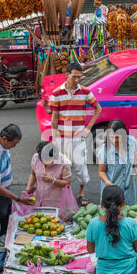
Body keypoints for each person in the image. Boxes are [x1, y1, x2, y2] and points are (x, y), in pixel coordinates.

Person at [50, 61, 102, 206]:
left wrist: (88, 127)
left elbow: (98, 108)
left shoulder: (85, 92)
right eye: (74, 77)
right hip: (62, 136)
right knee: (62, 167)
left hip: (78, 137)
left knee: (80, 167)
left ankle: (81, 193)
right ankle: (64, 193)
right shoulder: (56, 93)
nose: (77, 80)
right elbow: (54, 117)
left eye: (79, 77)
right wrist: (54, 137)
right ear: (67, 75)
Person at [86, 185, 137, 274]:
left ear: (102, 203)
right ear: (124, 202)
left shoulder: (93, 224)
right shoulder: (130, 223)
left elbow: (90, 250)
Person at [0, 124, 33, 236]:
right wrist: (18, 199)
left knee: (6, 219)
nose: (14, 147)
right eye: (13, 144)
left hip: (2, 192)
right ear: (4, 139)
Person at [98, 119, 137, 206]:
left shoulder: (132, 142)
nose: (114, 140)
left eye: (117, 137)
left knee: (129, 214)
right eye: (111, 137)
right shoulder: (104, 150)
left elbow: (136, 157)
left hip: (128, 191)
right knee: (112, 215)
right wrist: (107, 182)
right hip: (112, 191)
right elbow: (101, 171)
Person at [25, 141, 72, 208]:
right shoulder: (36, 158)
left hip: (55, 203)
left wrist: (53, 180)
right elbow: (33, 173)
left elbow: (67, 182)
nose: (45, 163)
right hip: (38, 200)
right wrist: (29, 186)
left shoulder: (64, 162)